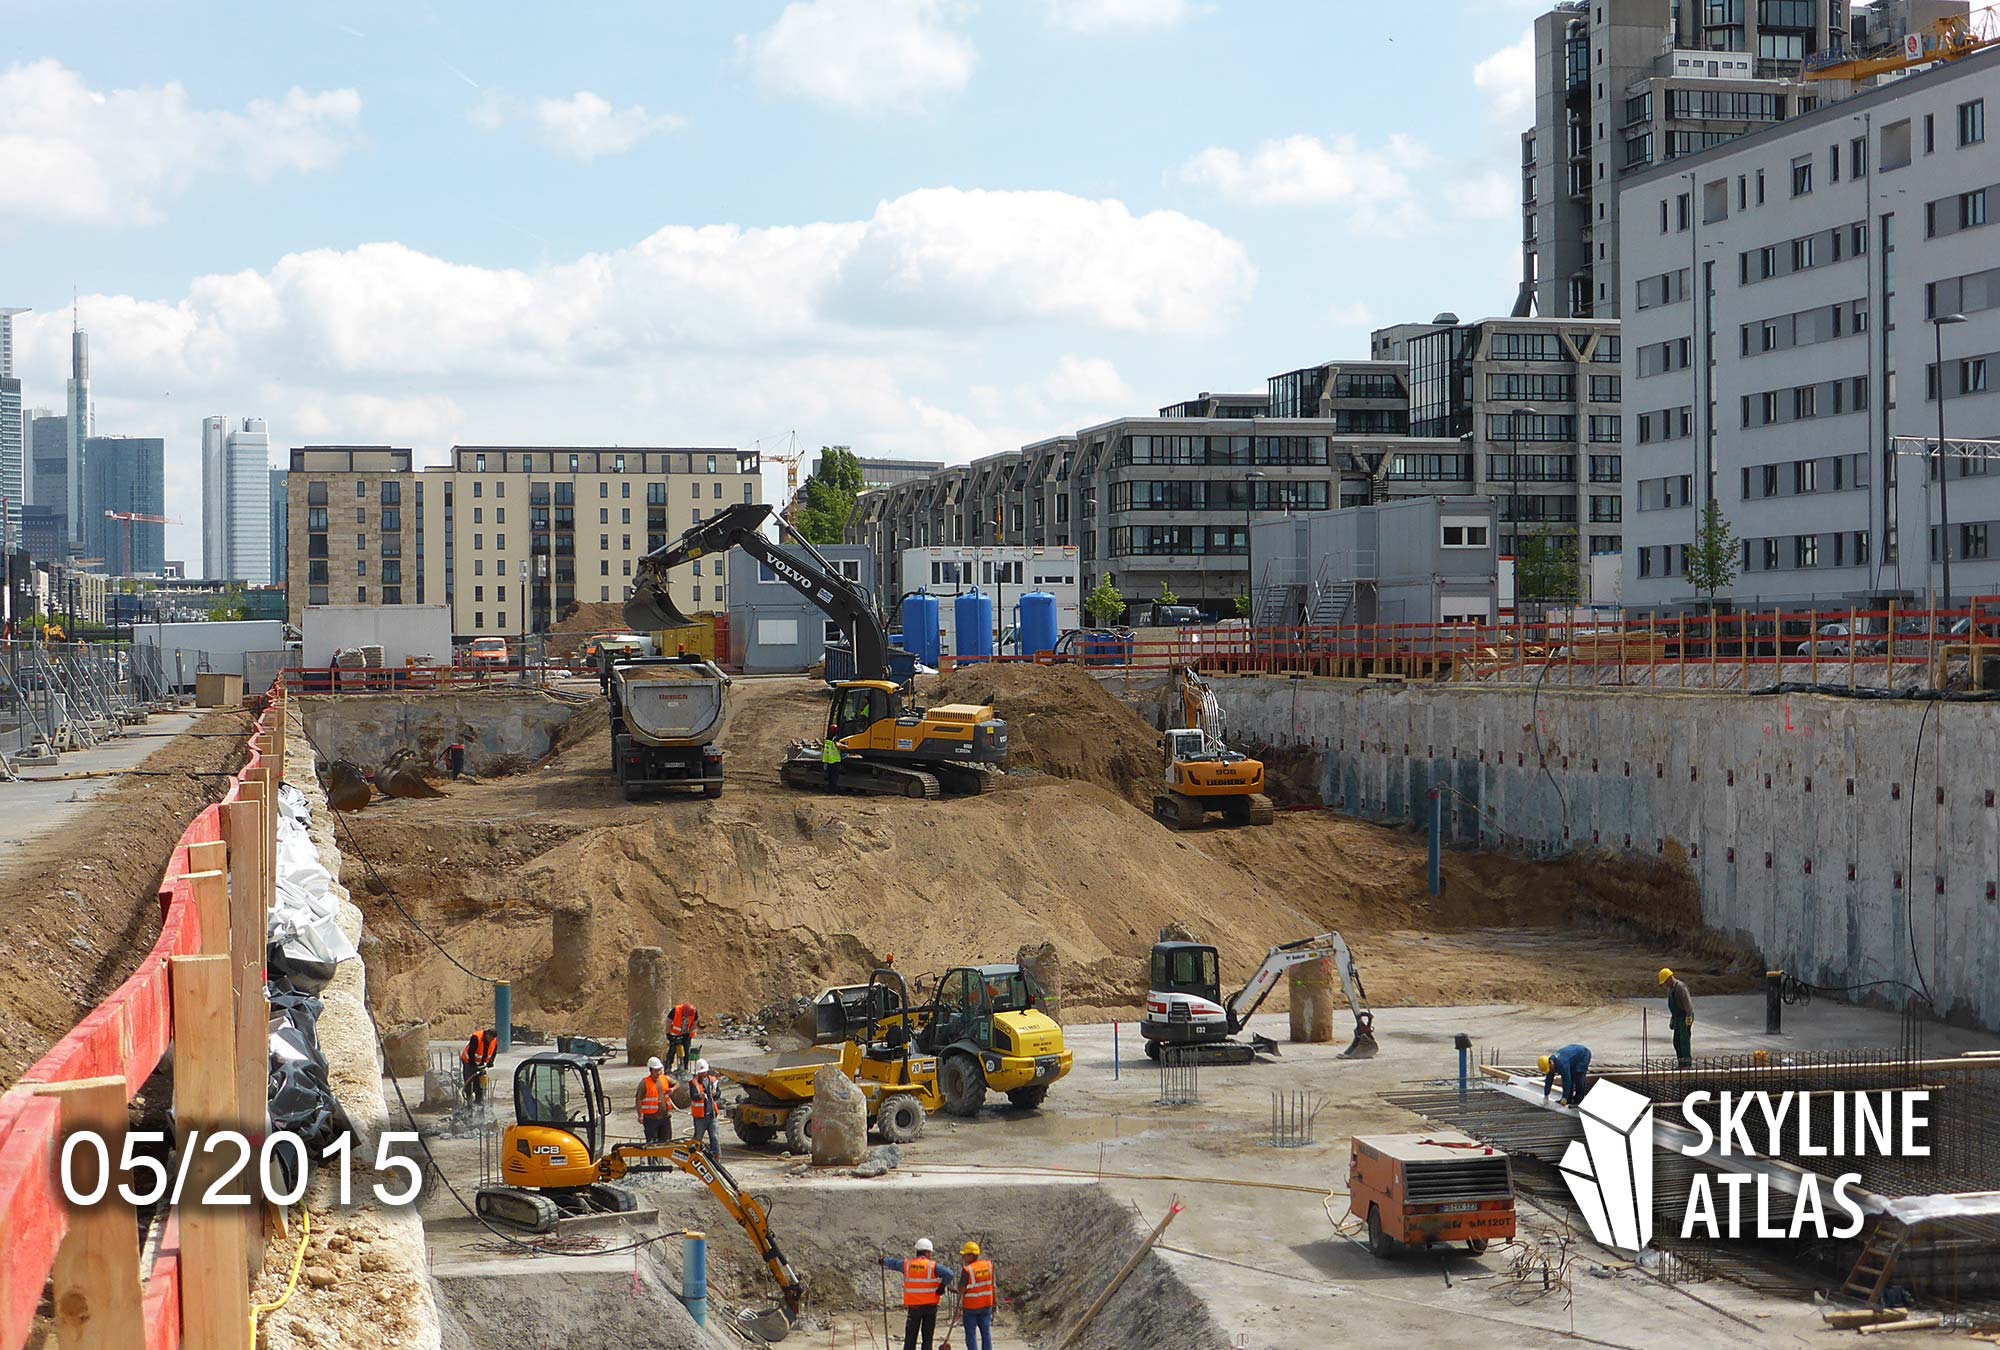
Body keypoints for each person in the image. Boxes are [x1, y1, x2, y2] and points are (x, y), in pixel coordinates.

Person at [882, 1238, 955, 1350]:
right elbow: (949, 1274)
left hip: (914, 1308)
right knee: (927, 1338)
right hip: (930, 1307)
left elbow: (894, 1263)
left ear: (917, 1251)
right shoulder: (932, 1266)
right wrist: (942, 1286)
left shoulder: (907, 1265)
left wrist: (884, 1260)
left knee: (910, 1338)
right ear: (927, 1252)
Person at [955, 1241, 995, 1350]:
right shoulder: (988, 1265)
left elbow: (961, 1289)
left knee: (971, 1334)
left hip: (971, 1307)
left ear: (972, 1255)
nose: (963, 1257)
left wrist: (958, 1291)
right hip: (986, 1305)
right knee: (986, 1333)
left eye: (965, 1255)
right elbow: (992, 1285)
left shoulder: (967, 1270)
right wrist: (994, 1302)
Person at [636, 1057, 677, 1145]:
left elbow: (677, 1084)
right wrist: (640, 1115)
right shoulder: (644, 1083)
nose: (658, 1072)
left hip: (664, 1117)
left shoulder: (665, 1079)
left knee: (666, 1142)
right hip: (651, 1119)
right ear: (651, 1071)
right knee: (652, 1144)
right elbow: (638, 1099)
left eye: (660, 1070)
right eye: (656, 1071)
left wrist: (673, 1089)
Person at [1661, 968, 1695, 1066]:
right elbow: (1674, 1007)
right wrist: (1673, 1019)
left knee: (1684, 1042)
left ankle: (1686, 1065)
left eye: (1665, 982)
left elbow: (1688, 1004)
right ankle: (1681, 1064)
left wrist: (1688, 1017)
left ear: (1669, 978)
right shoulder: (1671, 989)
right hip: (1678, 1018)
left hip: (1685, 1016)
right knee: (1677, 1042)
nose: (1665, 985)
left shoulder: (1680, 987)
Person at [688, 1058, 721, 1159]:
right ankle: (694, 1158)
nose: (702, 1074)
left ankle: (716, 1159)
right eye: (701, 1072)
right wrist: (699, 1096)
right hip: (700, 1117)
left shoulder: (713, 1081)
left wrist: (715, 1094)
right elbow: (693, 1096)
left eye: (704, 1072)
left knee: (714, 1137)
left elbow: (718, 1094)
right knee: (698, 1139)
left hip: (712, 1115)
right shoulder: (693, 1083)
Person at [459, 1027, 498, 1104]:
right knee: (469, 1080)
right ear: (487, 1035)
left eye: (492, 1039)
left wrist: (491, 1061)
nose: (491, 1040)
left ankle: (479, 1100)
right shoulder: (476, 1038)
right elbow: (471, 1053)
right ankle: (469, 1099)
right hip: (468, 1061)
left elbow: (493, 1053)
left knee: (480, 1083)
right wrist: (473, 1067)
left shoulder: (493, 1041)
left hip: (480, 1063)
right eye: (490, 1038)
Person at [667, 1001, 699, 1074]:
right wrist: (668, 1034)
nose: (688, 1016)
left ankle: (685, 1068)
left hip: (686, 1034)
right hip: (675, 1034)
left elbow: (695, 1023)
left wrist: (689, 1032)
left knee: (686, 1052)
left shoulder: (694, 1012)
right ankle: (668, 1067)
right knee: (672, 1051)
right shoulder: (675, 1010)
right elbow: (668, 1022)